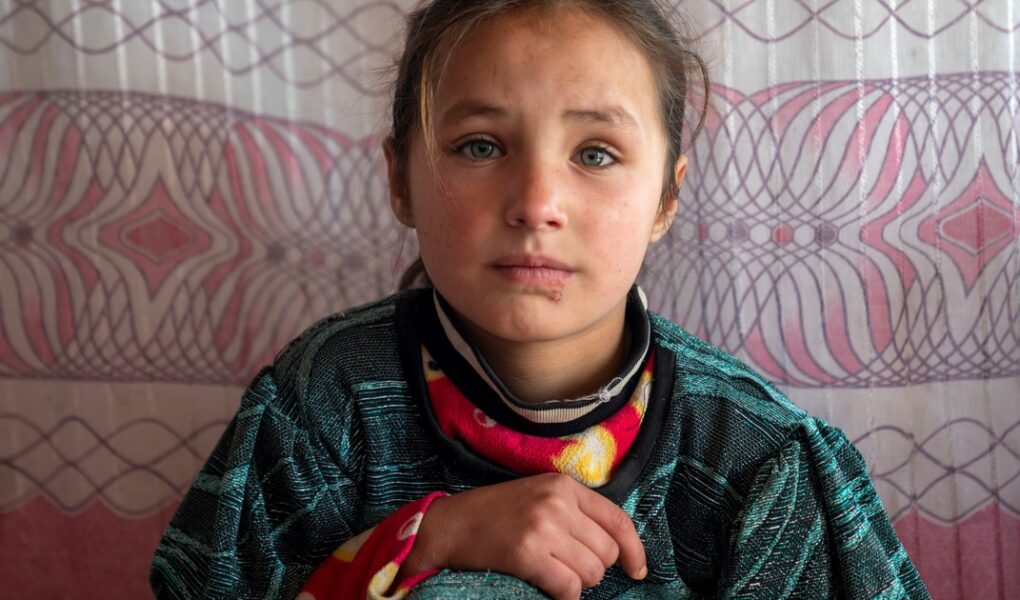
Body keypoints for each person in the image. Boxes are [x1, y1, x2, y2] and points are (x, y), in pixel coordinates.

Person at [150, 1, 931, 598]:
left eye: (596, 154)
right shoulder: (321, 403)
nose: (536, 204)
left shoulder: (756, 458)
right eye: (480, 146)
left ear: (666, 197)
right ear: (400, 180)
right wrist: (427, 543)